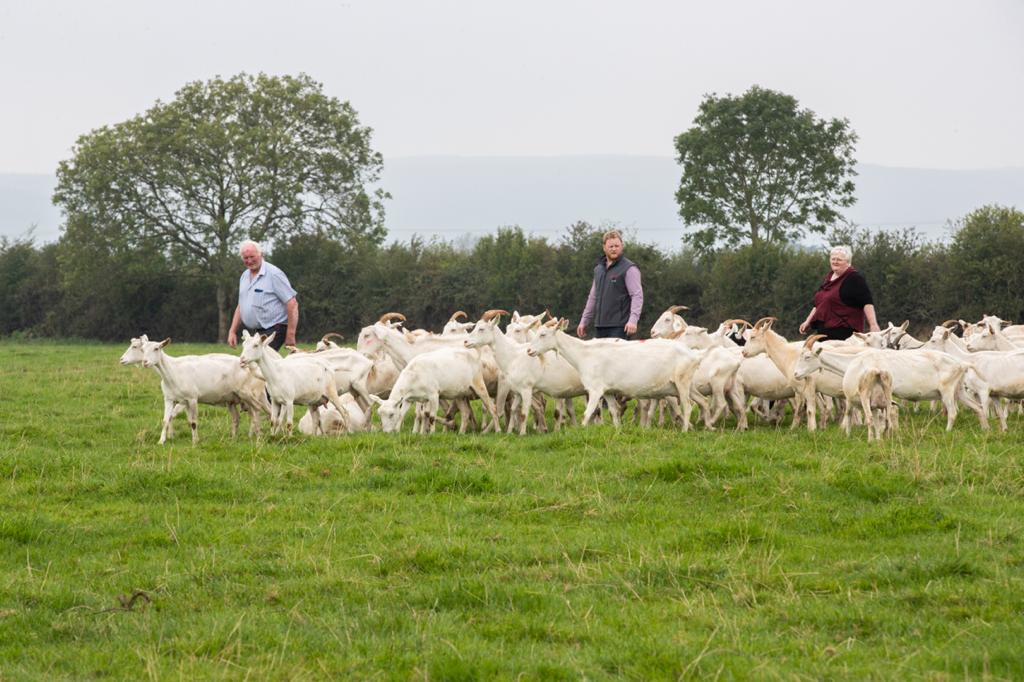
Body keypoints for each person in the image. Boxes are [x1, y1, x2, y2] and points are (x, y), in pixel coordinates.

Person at [227, 240, 298, 351]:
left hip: (275, 329)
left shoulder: (274, 274)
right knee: (253, 359)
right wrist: (232, 331)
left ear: (261, 254)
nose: (249, 261)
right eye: (246, 258)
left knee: (257, 358)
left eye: (252, 256)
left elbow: (292, 303)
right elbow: (241, 306)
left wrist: (290, 334)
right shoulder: (244, 276)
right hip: (258, 332)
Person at [798, 245, 880, 341]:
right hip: (824, 333)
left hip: (844, 335)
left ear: (848, 262)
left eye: (839, 260)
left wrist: (873, 325)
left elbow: (867, 302)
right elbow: (818, 305)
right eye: (833, 259)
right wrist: (807, 321)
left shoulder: (854, 278)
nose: (835, 262)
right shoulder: (828, 278)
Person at [576, 230, 643, 340]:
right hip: (600, 326)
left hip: (620, 327)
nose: (614, 249)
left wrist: (633, 320)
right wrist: (584, 321)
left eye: (617, 246)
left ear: (622, 246)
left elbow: (637, 295)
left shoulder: (629, 269)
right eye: (611, 246)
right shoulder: (598, 270)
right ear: (604, 247)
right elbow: (593, 297)